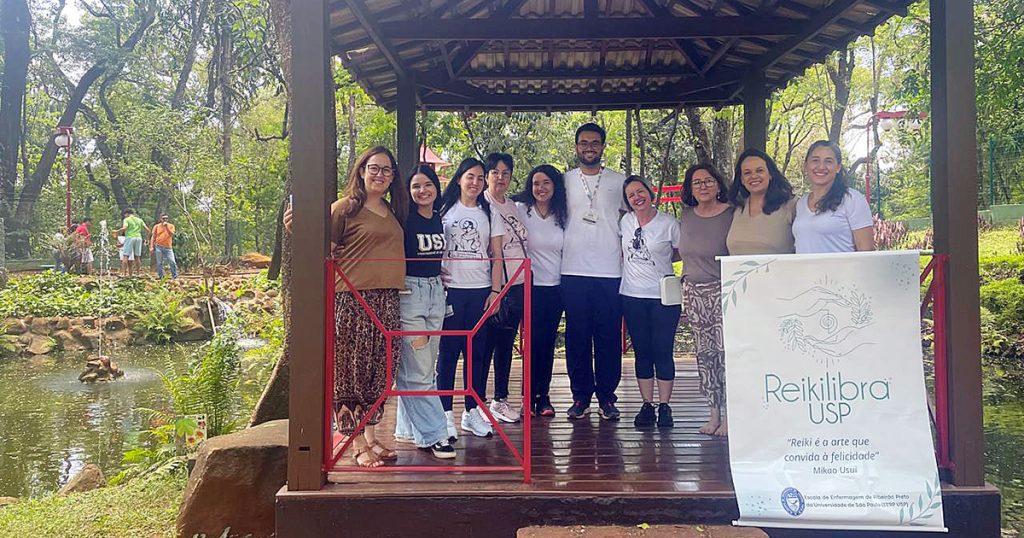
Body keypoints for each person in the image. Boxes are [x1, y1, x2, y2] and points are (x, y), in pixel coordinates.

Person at [330, 146, 408, 467]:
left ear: (392, 177)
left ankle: (372, 437)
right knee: (351, 371)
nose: (380, 174)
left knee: (382, 368)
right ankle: (356, 442)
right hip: (353, 299)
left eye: (386, 170)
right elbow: (325, 251)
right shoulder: (344, 208)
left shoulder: (392, 210)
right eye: (374, 168)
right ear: (361, 171)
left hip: (387, 298)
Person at [561, 123, 628, 421]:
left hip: (610, 271)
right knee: (576, 337)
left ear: (603, 147)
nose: (589, 147)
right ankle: (580, 397)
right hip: (572, 270)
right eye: (584, 142)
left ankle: (607, 398)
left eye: (595, 142)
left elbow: (633, 218)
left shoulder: (620, 181)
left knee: (608, 337)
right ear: (576, 146)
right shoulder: (563, 181)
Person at [437, 158, 505, 438]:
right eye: (470, 177)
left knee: (476, 353)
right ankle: (444, 414)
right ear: (459, 179)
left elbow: (497, 255)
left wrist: (496, 291)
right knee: (448, 353)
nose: (475, 182)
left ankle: (471, 410)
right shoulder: (444, 209)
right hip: (450, 290)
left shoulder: (490, 212)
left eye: (480, 177)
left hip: (480, 290)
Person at [392, 165, 457, 459]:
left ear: (436, 187)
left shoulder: (438, 218)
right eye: (416, 186)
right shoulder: (403, 218)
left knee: (425, 368)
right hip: (411, 294)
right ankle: (436, 434)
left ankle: (407, 429)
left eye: (427, 185)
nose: (422, 191)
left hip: (435, 293)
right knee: (417, 368)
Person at [619, 176, 681, 429]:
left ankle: (665, 405)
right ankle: (647, 404)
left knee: (663, 350)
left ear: (650, 192)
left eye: (640, 191)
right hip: (632, 295)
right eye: (631, 195)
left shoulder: (669, 223)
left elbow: (681, 251)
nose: (637, 197)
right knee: (642, 352)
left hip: (663, 297)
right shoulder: (625, 222)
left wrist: (662, 261)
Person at [678, 163, 733, 436]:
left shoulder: (732, 213)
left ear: (718, 184)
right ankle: (713, 414)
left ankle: (731, 416)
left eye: (708, 180)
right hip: (693, 293)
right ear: (690, 189)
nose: (703, 186)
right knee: (706, 355)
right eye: (697, 182)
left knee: (726, 354)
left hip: (723, 291)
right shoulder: (687, 216)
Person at [513, 164, 568, 417]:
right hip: (529, 286)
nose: (541, 188)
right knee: (531, 343)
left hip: (556, 288)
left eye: (546, 183)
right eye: (536, 183)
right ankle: (527, 397)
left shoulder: (563, 213)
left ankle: (543, 397)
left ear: (555, 186)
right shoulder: (520, 210)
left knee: (547, 343)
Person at [482, 153, 528, 424]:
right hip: (496, 284)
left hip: (519, 284)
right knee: (486, 343)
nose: (500, 178)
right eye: (495, 172)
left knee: (506, 344)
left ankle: (500, 398)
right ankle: (478, 402)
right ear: (487, 176)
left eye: (506, 173)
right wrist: (496, 287)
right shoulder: (483, 204)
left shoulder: (512, 205)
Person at [793, 140, 875, 253]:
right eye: (815, 160)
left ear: (838, 167)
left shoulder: (852, 199)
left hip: (842, 266)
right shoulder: (800, 203)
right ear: (806, 166)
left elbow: (866, 251)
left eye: (828, 161)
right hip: (804, 266)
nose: (821, 166)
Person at [726, 148, 797, 256]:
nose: (754, 176)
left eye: (759, 171)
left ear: (770, 174)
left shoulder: (791, 206)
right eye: (747, 173)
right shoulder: (736, 208)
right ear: (742, 179)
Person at [114, 208, 149, 277]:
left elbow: (125, 228)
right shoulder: (139, 220)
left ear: (126, 214)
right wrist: (147, 239)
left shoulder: (126, 219)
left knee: (125, 256)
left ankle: (124, 274)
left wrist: (117, 231)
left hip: (130, 237)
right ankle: (138, 273)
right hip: (138, 238)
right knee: (137, 257)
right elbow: (147, 229)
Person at [150, 214, 179, 279]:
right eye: (163, 218)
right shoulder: (156, 226)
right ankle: (161, 277)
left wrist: (166, 227)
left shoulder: (171, 226)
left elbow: (171, 234)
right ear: (161, 219)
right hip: (159, 246)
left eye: (166, 218)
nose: (165, 220)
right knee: (159, 263)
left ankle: (174, 276)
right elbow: (153, 237)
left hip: (168, 247)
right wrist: (151, 246)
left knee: (172, 261)